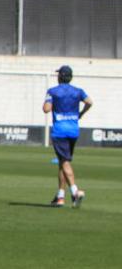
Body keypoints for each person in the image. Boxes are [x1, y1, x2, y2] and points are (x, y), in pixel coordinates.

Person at [44, 64, 93, 207]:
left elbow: (46, 109)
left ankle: (75, 191)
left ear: (60, 76)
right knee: (62, 162)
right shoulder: (78, 91)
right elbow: (90, 102)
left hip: (60, 131)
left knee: (65, 162)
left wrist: (53, 103)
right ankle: (60, 196)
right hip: (73, 130)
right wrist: (81, 114)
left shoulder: (52, 91)